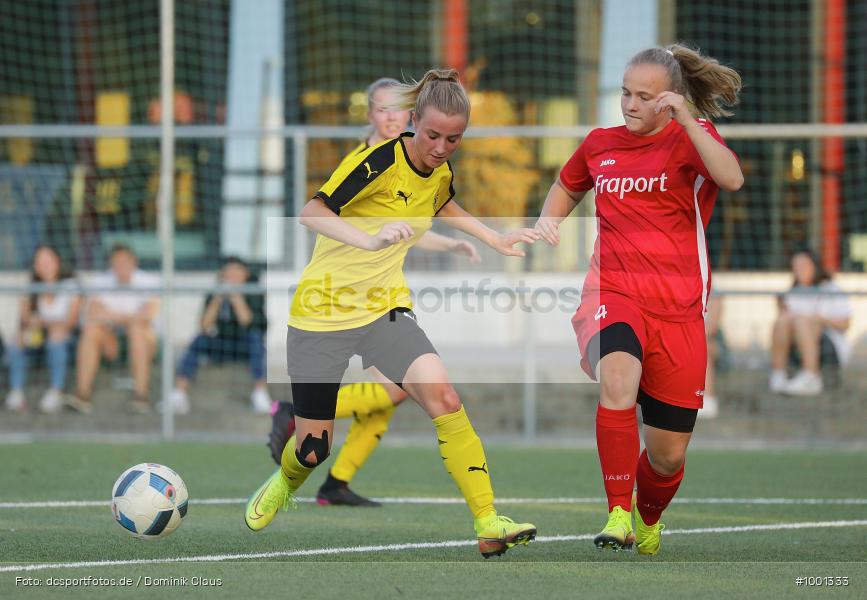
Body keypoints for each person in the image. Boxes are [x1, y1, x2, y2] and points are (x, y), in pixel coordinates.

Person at [245, 68, 539, 558]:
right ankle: (285, 481)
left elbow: (443, 202)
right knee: (313, 447)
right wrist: (372, 238)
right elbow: (312, 212)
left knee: (442, 395)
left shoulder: (440, 168)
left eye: (454, 138)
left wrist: (494, 237)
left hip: (384, 309)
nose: (443, 147)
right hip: (323, 311)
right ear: (413, 123)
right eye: (433, 135)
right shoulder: (377, 159)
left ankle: (488, 521)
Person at [535, 44, 743, 555]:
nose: (629, 104)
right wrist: (549, 220)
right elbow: (567, 184)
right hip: (613, 293)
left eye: (643, 96)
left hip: (678, 313)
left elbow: (732, 177)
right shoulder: (600, 143)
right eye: (625, 92)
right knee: (618, 375)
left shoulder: (691, 140)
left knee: (668, 456)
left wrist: (691, 121)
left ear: (668, 99)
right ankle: (618, 512)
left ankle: (648, 515)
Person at [268, 76, 481, 507]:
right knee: (378, 401)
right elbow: (342, 219)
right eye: (381, 110)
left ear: (409, 115)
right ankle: (299, 422)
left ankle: (337, 482)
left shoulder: (418, 163)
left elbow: (407, 225)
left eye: (396, 110)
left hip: (382, 300)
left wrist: (454, 241)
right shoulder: (368, 162)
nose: (391, 117)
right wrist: (374, 240)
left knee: (402, 392)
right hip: (338, 300)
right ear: (370, 116)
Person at [167, 257, 271, 415]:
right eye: (228, 271)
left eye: (236, 271)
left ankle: (260, 393)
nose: (231, 275)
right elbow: (205, 325)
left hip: (245, 344)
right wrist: (217, 300)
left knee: (256, 341)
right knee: (198, 341)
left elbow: (247, 322)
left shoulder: (254, 292)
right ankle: (179, 393)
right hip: (221, 344)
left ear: (245, 274)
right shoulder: (215, 292)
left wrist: (236, 297)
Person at [69, 243, 160, 414]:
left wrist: (112, 316)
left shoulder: (149, 281)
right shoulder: (100, 281)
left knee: (137, 331)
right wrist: (129, 318)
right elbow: (92, 314)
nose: (120, 267)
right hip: (111, 340)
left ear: (134, 261)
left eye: (124, 262)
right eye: (116, 263)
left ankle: (141, 396)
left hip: (143, 340)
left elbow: (148, 315)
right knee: (91, 331)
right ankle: (82, 394)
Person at [4, 245, 81, 414]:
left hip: (67, 337)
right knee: (18, 340)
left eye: (47, 260)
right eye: (39, 262)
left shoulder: (70, 285)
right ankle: (16, 392)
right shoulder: (31, 287)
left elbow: (70, 322)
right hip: (39, 335)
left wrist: (44, 322)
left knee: (56, 336)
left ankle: (56, 391)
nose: (43, 265)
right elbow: (25, 318)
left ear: (57, 262)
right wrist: (31, 323)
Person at [769, 249, 850, 395]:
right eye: (796, 266)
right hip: (797, 346)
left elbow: (845, 324)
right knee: (783, 320)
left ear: (814, 265)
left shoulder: (830, 288)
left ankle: (811, 376)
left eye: (803, 265)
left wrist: (819, 320)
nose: (799, 270)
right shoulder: (794, 292)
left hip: (829, 347)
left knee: (802, 320)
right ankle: (778, 375)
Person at [698, 294, 723, 419]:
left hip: (710, 343)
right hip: (690, 342)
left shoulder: (715, 295)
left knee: (705, 347)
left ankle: (708, 398)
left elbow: (711, 329)